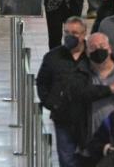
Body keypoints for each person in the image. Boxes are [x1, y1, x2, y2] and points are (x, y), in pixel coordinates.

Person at [36, 16, 88, 167]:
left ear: (84, 34)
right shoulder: (53, 57)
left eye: (75, 33)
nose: (70, 36)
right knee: (66, 159)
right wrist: (51, 103)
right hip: (63, 116)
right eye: (67, 32)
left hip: (87, 117)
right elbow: (42, 82)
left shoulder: (92, 56)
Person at [70, 33, 114, 162]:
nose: (98, 50)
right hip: (89, 146)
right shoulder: (80, 72)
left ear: (110, 48)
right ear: (87, 52)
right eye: (93, 48)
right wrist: (109, 89)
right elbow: (80, 93)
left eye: (102, 46)